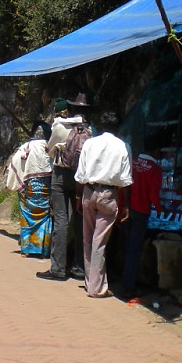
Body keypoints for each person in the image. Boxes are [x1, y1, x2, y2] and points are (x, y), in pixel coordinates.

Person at [36, 94, 92, 282]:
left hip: (61, 174)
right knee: (79, 220)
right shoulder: (90, 130)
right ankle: (79, 267)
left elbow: (49, 149)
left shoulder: (59, 127)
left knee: (60, 220)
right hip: (81, 177)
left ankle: (58, 268)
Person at [74, 125, 133, 298]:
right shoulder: (123, 146)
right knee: (99, 242)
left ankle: (89, 282)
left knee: (88, 239)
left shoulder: (89, 144)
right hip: (108, 195)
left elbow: (80, 174)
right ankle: (96, 287)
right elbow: (126, 180)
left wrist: (78, 197)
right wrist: (126, 205)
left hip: (89, 191)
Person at [120, 135, 162, 299]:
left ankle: (123, 280)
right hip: (141, 211)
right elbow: (153, 194)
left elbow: (124, 184)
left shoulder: (133, 161)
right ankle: (128, 286)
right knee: (134, 250)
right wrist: (160, 209)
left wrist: (122, 206)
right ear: (156, 151)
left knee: (125, 246)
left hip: (127, 209)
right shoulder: (155, 168)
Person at [6, 121, 53, 257]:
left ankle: (27, 249)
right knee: (45, 217)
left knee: (27, 217)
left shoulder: (27, 146)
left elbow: (15, 161)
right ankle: (44, 250)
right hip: (46, 189)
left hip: (29, 189)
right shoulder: (50, 147)